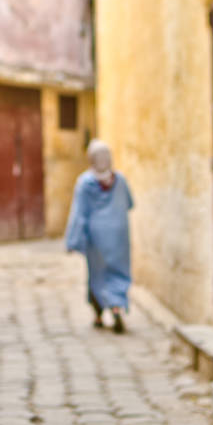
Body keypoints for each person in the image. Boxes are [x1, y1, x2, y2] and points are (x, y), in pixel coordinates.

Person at [65, 139, 133, 333]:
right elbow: (129, 203)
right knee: (118, 272)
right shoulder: (120, 180)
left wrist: (73, 241)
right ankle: (117, 306)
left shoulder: (85, 182)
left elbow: (79, 214)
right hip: (119, 236)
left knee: (98, 275)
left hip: (97, 239)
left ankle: (98, 314)